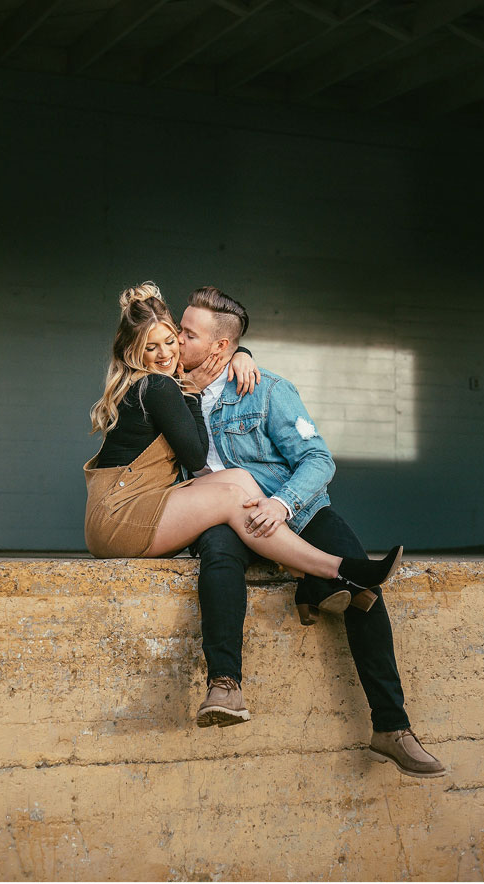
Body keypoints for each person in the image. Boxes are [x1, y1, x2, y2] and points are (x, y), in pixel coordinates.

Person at [176, 285, 445, 780]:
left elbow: (318, 460)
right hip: (221, 518)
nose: (175, 337)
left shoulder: (266, 389)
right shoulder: (168, 387)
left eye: (187, 333)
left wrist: (281, 505)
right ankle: (225, 685)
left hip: (292, 512)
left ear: (220, 348)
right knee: (217, 552)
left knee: (365, 584)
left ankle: (392, 728)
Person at [84, 284, 403, 644]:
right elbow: (193, 454)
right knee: (231, 499)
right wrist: (192, 392)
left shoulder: (166, 383)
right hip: (119, 518)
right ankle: (334, 570)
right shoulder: (159, 387)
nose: (166, 354)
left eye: (172, 340)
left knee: (238, 478)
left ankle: (312, 580)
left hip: (135, 505)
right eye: (151, 347)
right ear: (132, 351)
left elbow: (223, 339)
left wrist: (241, 353)